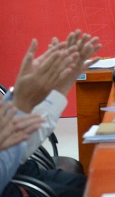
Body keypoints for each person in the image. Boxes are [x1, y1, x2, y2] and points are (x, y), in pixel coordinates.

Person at [2, 30, 101, 197]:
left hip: (22, 169)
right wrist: (23, 103)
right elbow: (11, 155)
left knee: (98, 183)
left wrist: (63, 83)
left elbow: (21, 146)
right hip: (12, 183)